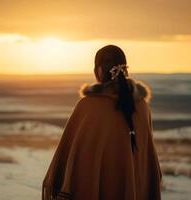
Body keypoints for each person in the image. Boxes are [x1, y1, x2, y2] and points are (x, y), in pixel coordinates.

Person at [42, 45, 162, 200]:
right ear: (125, 70)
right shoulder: (142, 107)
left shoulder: (88, 107)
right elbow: (147, 165)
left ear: (99, 71)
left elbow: (72, 163)